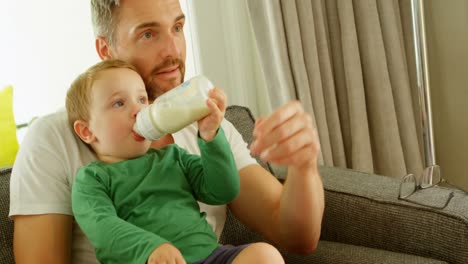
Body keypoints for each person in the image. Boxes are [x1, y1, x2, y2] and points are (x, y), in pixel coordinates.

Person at [10, 0, 325, 263]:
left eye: (177, 28)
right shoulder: (53, 139)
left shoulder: (209, 130)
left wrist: (304, 165)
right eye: (148, 34)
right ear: (106, 48)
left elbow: (296, 237)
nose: (173, 50)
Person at [66, 59, 284, 264]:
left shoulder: (174, 157)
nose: (138, 110)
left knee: (265, 255)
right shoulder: (92, 178)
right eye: (119, 103)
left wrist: (211, 137)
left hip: (210, 256)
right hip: (150, 260)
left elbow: (223, 190)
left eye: (142, 100)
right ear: (86, 131)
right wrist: (150, 248)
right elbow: (102, 228)